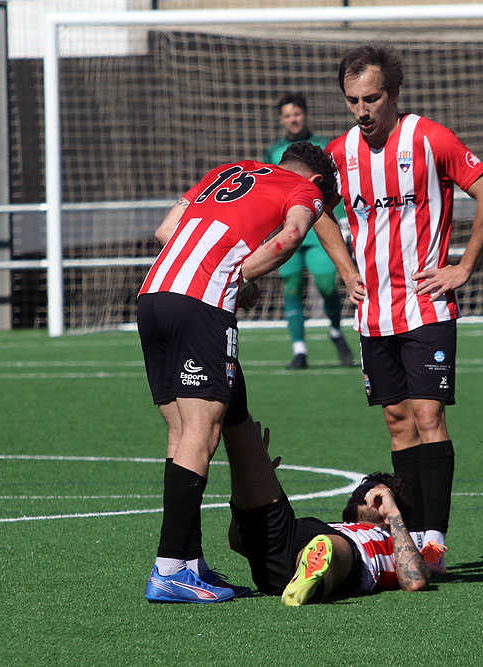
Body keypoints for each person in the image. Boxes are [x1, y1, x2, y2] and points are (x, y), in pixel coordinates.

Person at [312, 45, 483, 574]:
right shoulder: (339, 154)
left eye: (371, 98)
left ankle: (435, 543)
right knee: (399, 425)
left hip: (426, 306)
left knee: (428, 416)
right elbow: (311, 207)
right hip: (374, 312)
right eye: (352, 100)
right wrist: (346, 270)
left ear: (393, 94)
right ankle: (410, 542)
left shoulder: (430, 138)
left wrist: (463, 266)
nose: (362, 109)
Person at [136, 141, 336, 603]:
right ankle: (168, 569)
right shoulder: (304, 188)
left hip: (154, 295)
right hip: (201, 306)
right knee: (203, 434)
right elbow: (290, 237)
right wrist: (239, 277)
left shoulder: (230, 170)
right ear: (320, 182)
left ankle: (188, 561)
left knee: (181, 431)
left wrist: (221, 265)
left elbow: (166, 229)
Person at [223, 418, 430, 605]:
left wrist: (393, 515)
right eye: (358, 492)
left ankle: (310, 583)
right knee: (246, 450)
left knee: (330, 546)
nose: (361, 495)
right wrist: (249, 487)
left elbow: (415, 582)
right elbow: (237, 542)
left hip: (341, 556)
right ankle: (306, 576)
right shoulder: (336, 527)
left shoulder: (393, 541)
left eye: (373, 494)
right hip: (289, 540)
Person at [263, 93, 355, 370]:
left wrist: (343, 222)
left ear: (305, 115)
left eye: (297, 113)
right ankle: (299, 350)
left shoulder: (323, 147)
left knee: (327, 285)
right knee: (292, 289)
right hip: (286, 229)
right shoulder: (274, 151)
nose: (293, 119)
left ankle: (337, 331)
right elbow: (270, 190)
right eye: (288, 115)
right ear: (282, 120)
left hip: (319, 227)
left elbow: (335, 188)